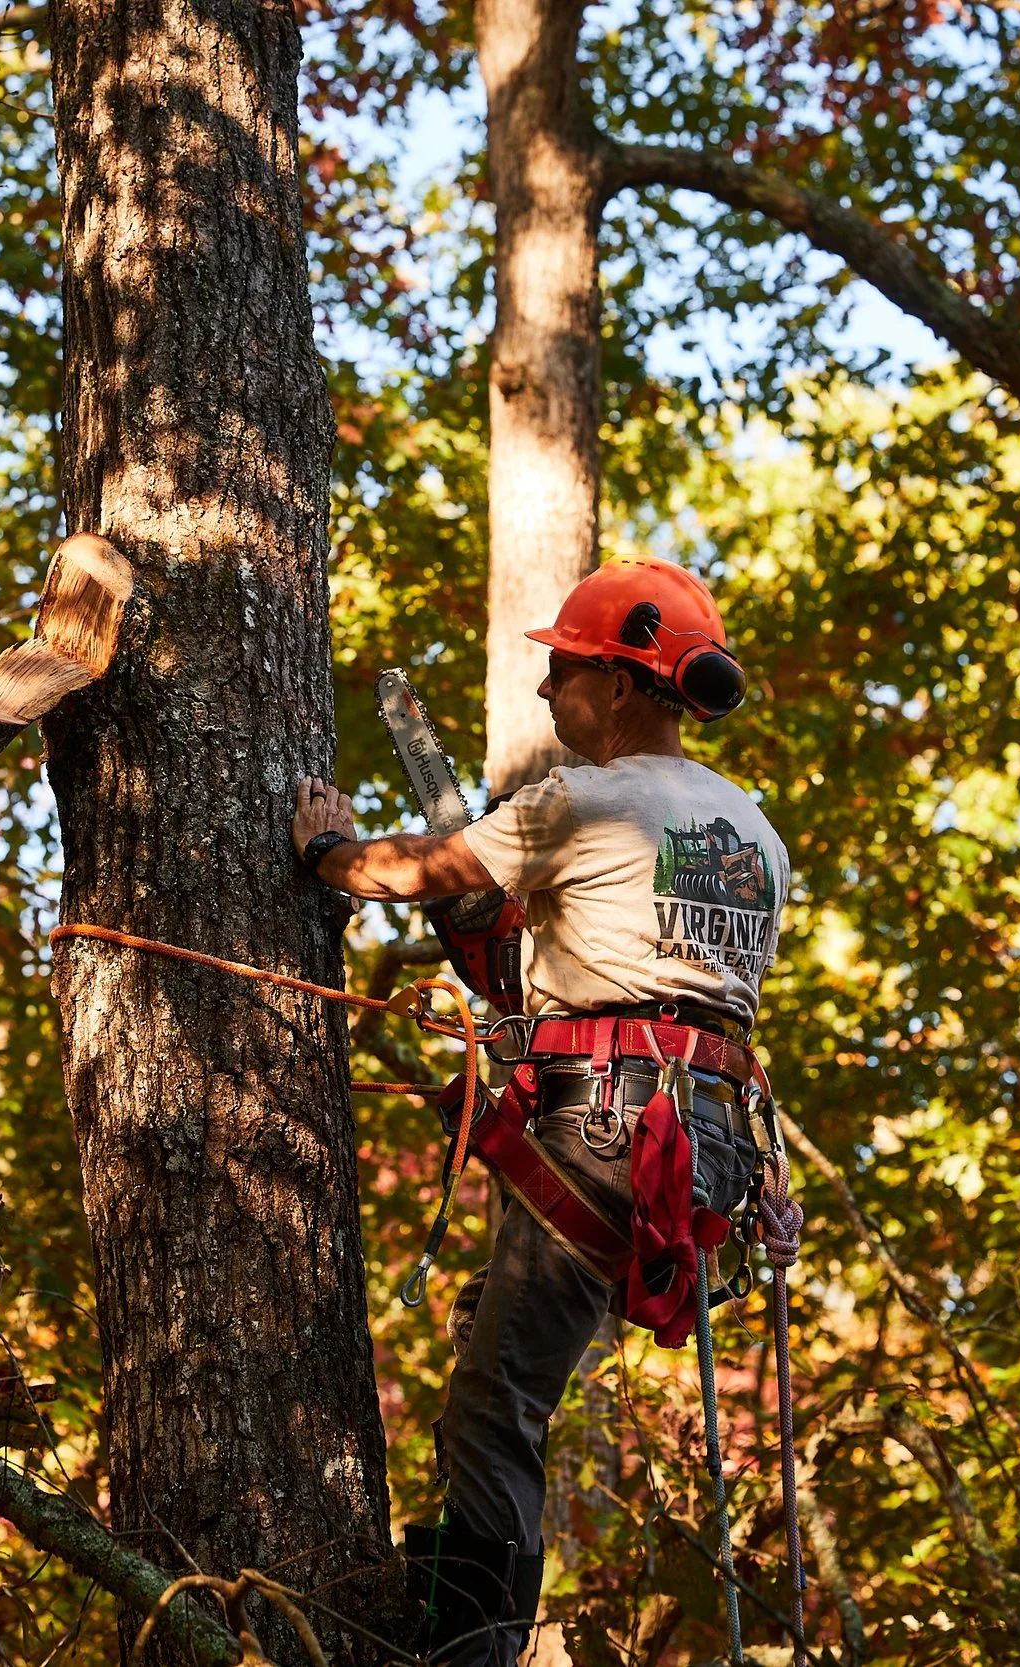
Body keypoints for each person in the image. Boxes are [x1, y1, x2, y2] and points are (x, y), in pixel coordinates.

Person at [291, 557, 791, 1666]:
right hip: (704, 1150)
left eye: (562, 668)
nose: (544, 691)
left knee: (494, 1401)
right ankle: (471, 1604)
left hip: (609, 1129)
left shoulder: (583, 798)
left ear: (621, 683)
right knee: (503, 1354)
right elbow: (673, 991)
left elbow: (416, 869)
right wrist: (504, 959)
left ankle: (471, 1646)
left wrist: (322, 849)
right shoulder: (753, 836)